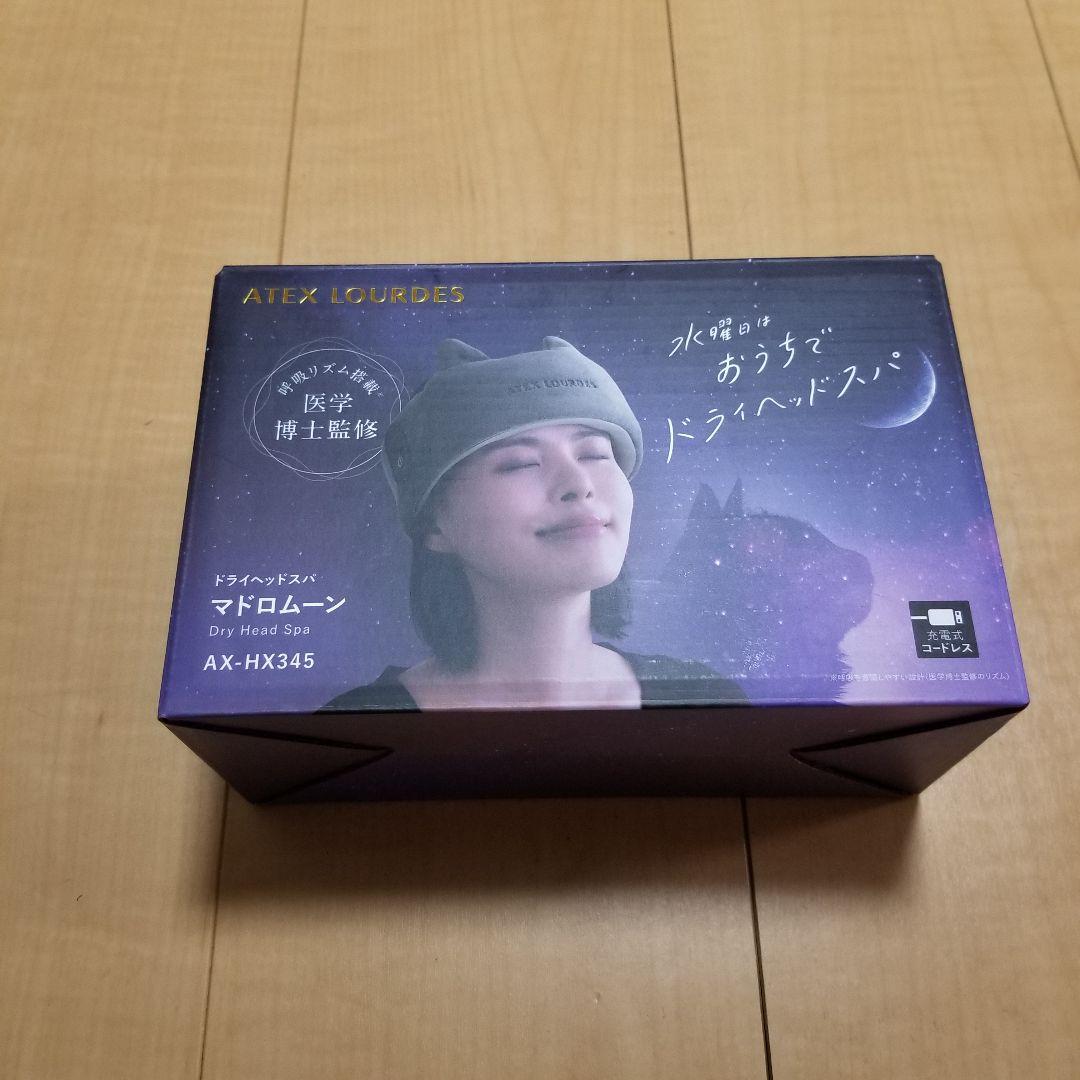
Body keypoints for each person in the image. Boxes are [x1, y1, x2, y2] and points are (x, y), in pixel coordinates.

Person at [323, 335, 745, 712]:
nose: (578, 485)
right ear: (435, 525)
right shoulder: (360, 723)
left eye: (595, 454)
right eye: (520, 463)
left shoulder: (707, 701)